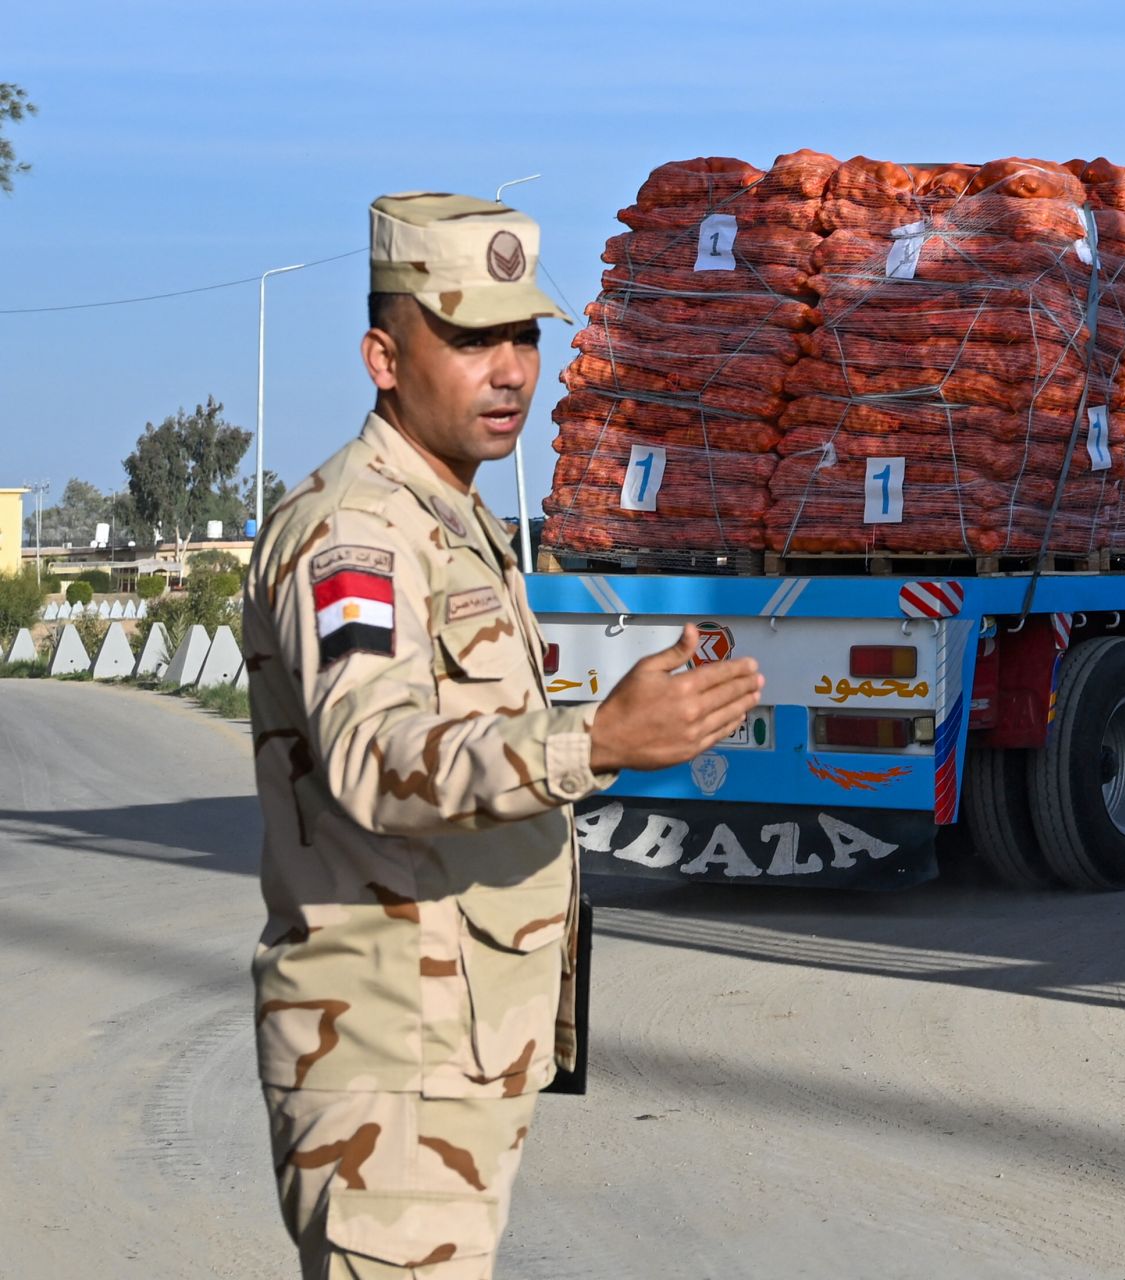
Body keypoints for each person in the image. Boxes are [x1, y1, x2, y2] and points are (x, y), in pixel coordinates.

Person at [242, 191, 763, 1278]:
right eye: (471, 337)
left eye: (523, 333)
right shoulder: (356, 530)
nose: (512, 368)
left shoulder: (454, 517)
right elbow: (370, 755)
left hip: (455, 1049)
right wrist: (595, 742)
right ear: (384, 356)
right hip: (389, 1060)